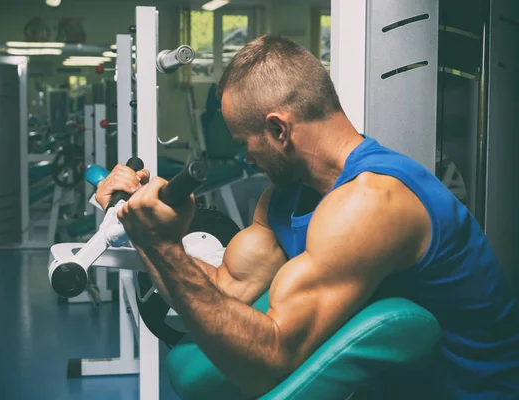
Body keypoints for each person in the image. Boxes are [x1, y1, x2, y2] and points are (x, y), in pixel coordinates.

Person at [95, 35, 519, 399]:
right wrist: (137, 227)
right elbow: (229, 289)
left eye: (246, 142)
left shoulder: (371, 204)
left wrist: (162, 246)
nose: (244, 156)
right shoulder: (282, 198)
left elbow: (268, 361)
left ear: (279, 130)